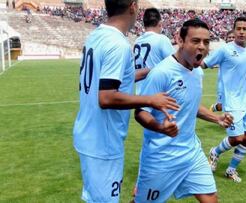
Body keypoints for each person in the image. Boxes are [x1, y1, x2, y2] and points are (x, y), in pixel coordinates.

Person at [72, 0, 179, 202]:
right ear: (132, 6)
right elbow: (106, 97)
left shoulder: (96, 36)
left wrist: (151, 71)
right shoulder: (118, 44)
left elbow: (118, 78)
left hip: (87, 133)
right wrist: (151, 99)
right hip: (103, 141)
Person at [133, 19, 233, 203]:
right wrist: (161, 128)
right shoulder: (161, 73)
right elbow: (140, 112)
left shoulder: (197, 73)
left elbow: (189, 105)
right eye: (195, 41)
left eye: (206, 42)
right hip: (161, 157)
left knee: (211, 199)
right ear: (180, 40)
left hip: (191, 153)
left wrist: (216, 118)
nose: (202, 47)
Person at [202, 16, 246, 183]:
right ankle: (215, 152)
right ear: (234, 30)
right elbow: (204, 64)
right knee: (237, 138)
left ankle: (231, 170)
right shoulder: (225, 50)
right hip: (231, 101)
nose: (241, 32)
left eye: (244, 29)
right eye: (238, 28)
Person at [134, 7, 175, 94]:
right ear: (160, 23)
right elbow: (175, 64)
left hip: (140, 95)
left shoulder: (137, 41)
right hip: (156, 96)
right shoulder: (162, 39)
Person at [209, 30, 235, 112]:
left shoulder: (241, 51)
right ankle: (214, 107)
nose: (231, 39)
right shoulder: (222, 50)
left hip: (236, 84)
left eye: (233, 37)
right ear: (226, 39)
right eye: (229, 37)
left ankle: (232, 123)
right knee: (221, 106)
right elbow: (209, 62)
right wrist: (214, 64)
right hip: (223, 84)